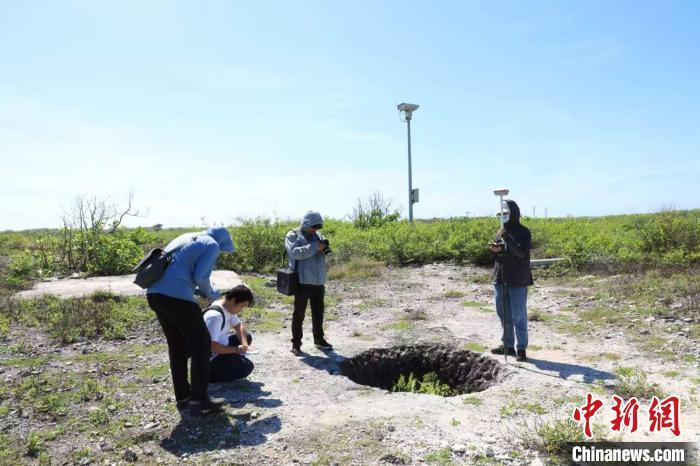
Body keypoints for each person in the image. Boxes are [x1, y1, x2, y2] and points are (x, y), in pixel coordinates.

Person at [146, 226, 234, 412]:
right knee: (202, 343)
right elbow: (201, 276)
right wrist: (212, 294)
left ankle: (184, 396)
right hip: (176, 297)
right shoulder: (212, 245)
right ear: (223, 242)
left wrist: (198, 290)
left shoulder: (187, 237)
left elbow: (178, 271)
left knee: (177, 346)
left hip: (155, 295)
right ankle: (200, 399)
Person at [489, 200, 533, 362]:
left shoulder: (524, 232)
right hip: (500, 278)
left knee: (518, 314)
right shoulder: (500, 231)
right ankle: (507, 345)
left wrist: (508, 238)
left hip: (518, 279)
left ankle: (521, 348)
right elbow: (498, 256)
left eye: (505, 214)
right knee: (503, 313)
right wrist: (494, 249)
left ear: (513, 213)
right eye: (500, 214)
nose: (502, 217)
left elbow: (521, 253)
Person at [285, 211, 333, 355]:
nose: (315, 230)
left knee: (318, 313)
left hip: (319, 282)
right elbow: (294, 253)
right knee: (299, 313)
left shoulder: (318, 236)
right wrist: (315, 247)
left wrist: (325, 248)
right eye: (313, 226)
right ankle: (296, 344)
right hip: (302, 282)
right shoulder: (293, 235)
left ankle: (319, 339)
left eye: (318, 227)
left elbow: (327, 253)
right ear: (306, 223)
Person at [204, 284, 256, 383]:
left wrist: (244, 344)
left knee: (247, 337)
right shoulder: (215, 316)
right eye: (242, 306)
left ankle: (235, 360)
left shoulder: (228, 307)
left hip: (221, 347)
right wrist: (235, 350)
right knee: (248, 367)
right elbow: (212, 346)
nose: (241, 309)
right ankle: (211, 377)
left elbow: (239, 326)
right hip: (211, 357)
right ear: (233, 300)